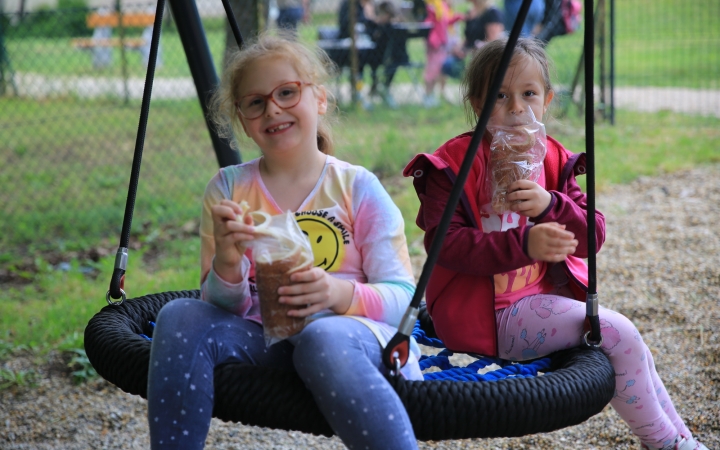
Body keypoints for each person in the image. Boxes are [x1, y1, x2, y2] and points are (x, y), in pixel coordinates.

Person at [403, 38, 709, 450]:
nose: (516, 109)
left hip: (539, 300)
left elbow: (592, 236)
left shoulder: (551, 159)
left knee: (627, 340)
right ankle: (667, 443)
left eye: (528, 94)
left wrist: (551, 204)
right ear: (477, 104)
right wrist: (524, 243)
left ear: (546, 100)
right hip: (486, 315)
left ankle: (681, 438)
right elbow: (447, 245)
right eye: (500, 97)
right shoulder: (454, 165)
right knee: (618, 332)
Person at [146, 33, 422, 449]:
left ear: (320, 99)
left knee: (320, 337)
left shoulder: (356, 188)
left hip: (356, 341)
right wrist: (227, 260)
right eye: (256, 102)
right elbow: (223, 309)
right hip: (268, 341)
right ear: (243, 120)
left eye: (288, 92)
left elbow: (404, 299)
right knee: (179, 315)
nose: (273, 108)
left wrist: (336, 292)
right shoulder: (228, 188)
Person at [442, 0, 504, 80]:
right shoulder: (470, 12)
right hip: (468, 53)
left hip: (483, 55)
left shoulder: (492, 13)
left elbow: (493, 41)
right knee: (446, 63)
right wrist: (459, 49)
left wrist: (470, 51)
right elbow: (468, 38)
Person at [422, 0, 464, 107]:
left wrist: (457, 18)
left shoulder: (442, 7)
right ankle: (427, 95)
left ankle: (431, 95)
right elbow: (428, 22)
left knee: (437, 70)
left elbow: (445, 21)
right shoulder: (433, 6)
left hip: (441, 44)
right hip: (435, 44)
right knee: (431, 71)